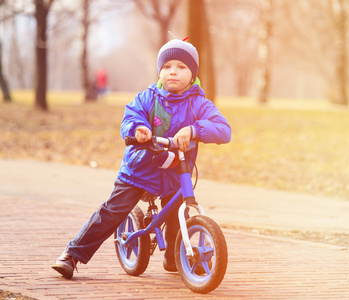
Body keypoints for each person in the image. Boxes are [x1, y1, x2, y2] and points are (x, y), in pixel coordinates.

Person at [52, 38, 232, 279]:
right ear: (160, 71)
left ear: (193, 74)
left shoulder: (199, 104)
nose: (173, 72)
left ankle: (175, 258)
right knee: (112, 212)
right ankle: (72, 254)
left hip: (176, 171)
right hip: (140, 168)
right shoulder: (148, 98)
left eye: (181, 67)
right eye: (167, 66)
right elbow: (130, 118)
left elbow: (224, 130)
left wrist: (194, 130)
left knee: (178, 213)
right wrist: (137, 129)